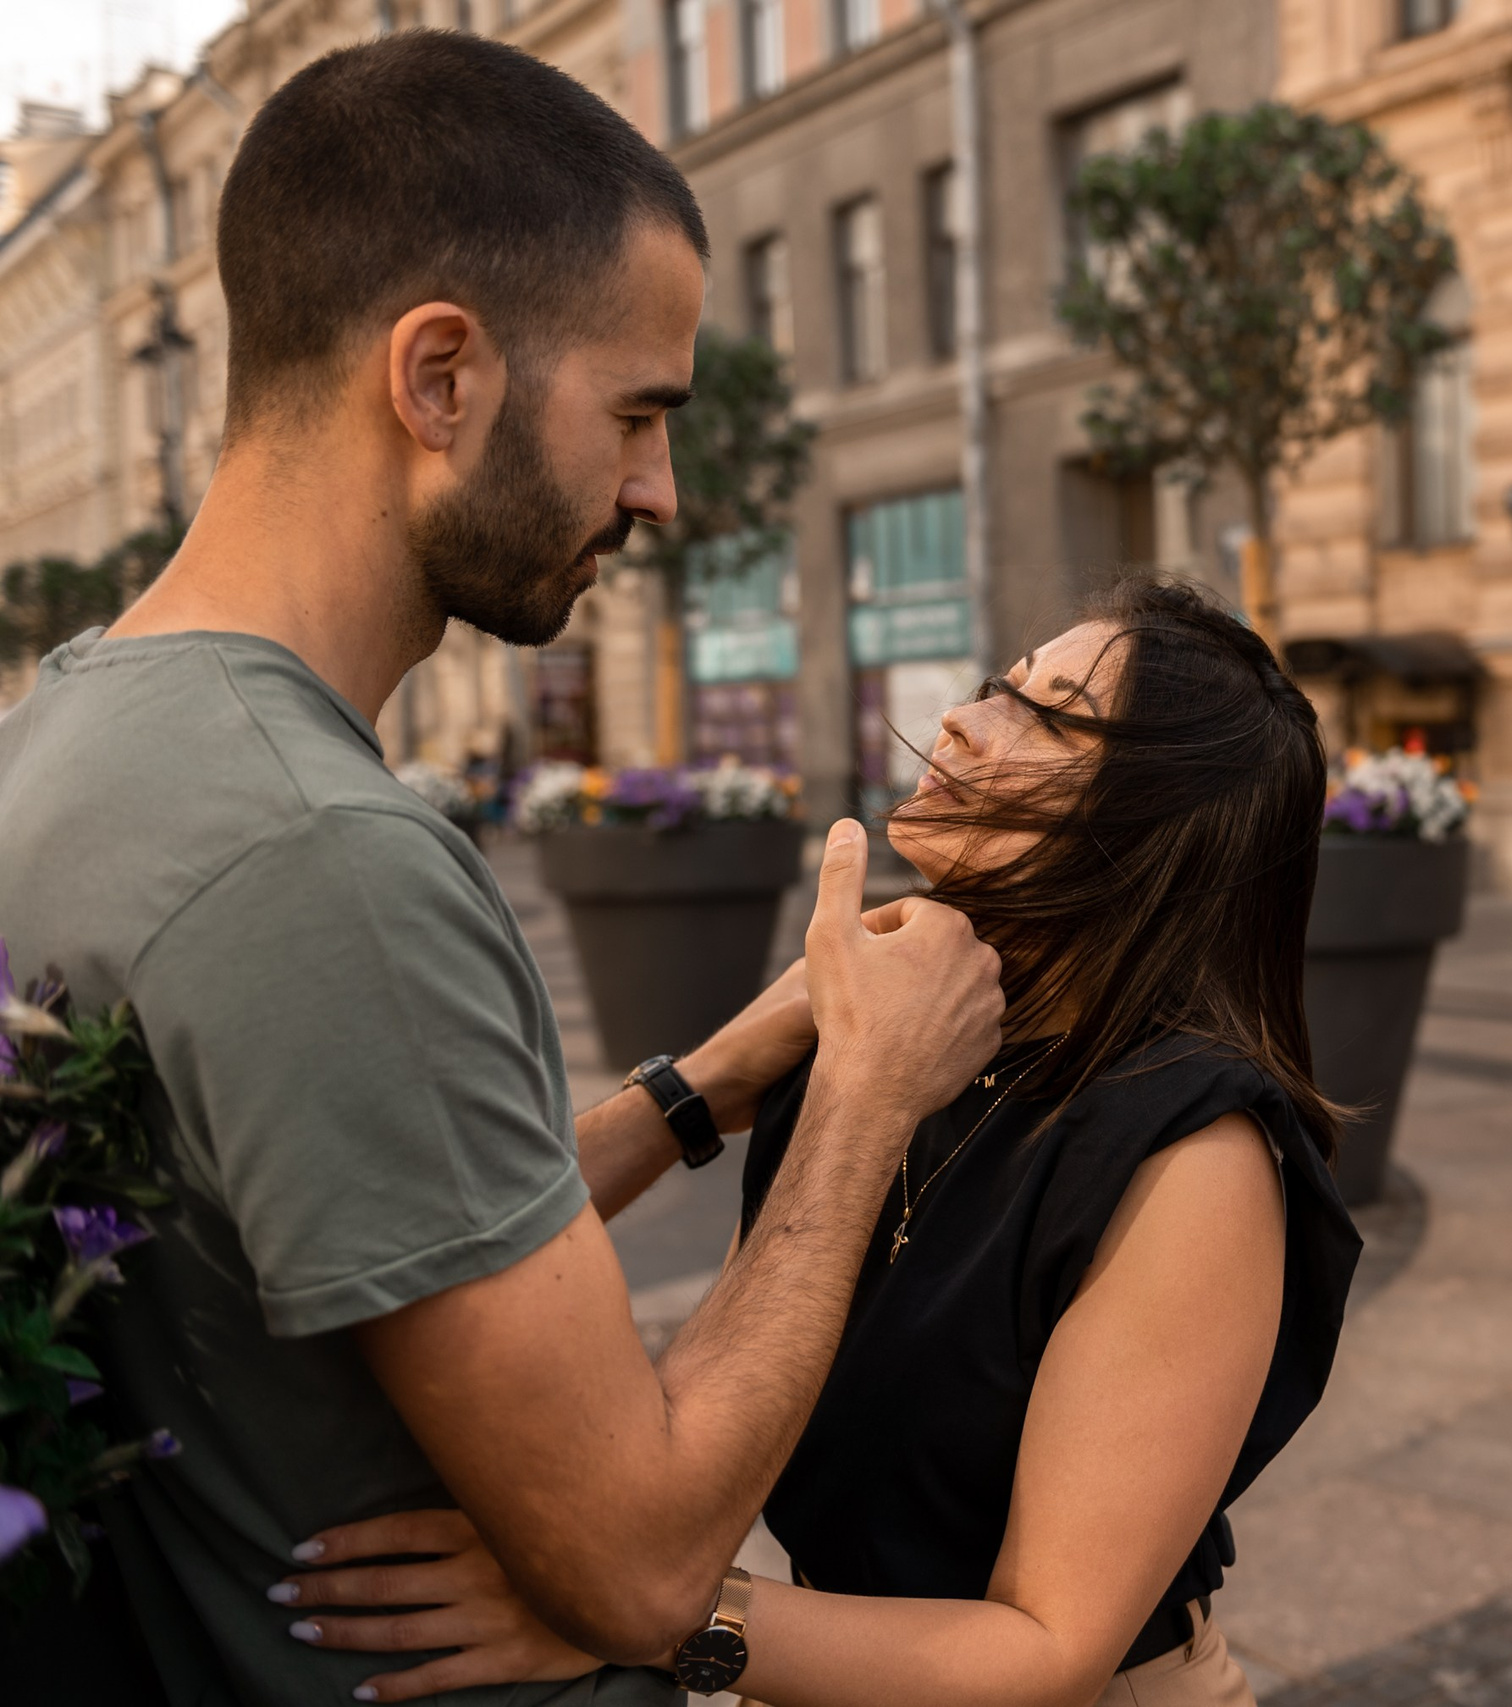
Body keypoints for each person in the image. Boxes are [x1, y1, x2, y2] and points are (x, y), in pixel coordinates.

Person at [0, 33, 1003, 1705]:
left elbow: (354, 1215)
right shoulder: (323, 858)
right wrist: (869, 1100)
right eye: (636, 413)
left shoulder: (69, 736)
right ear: (441, 377)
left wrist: (712, 1084)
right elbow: (643, 1560)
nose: (660, 490)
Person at [280, 580, 1366, 1706]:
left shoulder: (1191, 1150)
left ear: (1152, 824)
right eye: (1002, 683)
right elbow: (487, 1250)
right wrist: (703, 1083)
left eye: (1044, 715)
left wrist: (631, 1610)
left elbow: (1048, 1648)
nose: (961, 717)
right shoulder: (876, 1034)